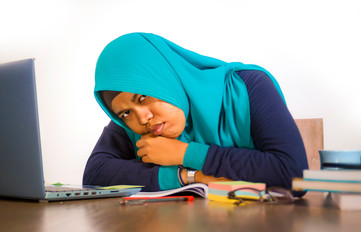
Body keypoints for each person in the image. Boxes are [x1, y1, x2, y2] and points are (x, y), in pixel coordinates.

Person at [83, 32, 308, 194]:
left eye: (143, 98)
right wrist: (187, 176)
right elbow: (94, 175)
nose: (142, 118)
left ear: (165, 80)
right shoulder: (133, 126)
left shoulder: (247, 87)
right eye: (124, 113)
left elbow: (293, 174)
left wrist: (185, 153)